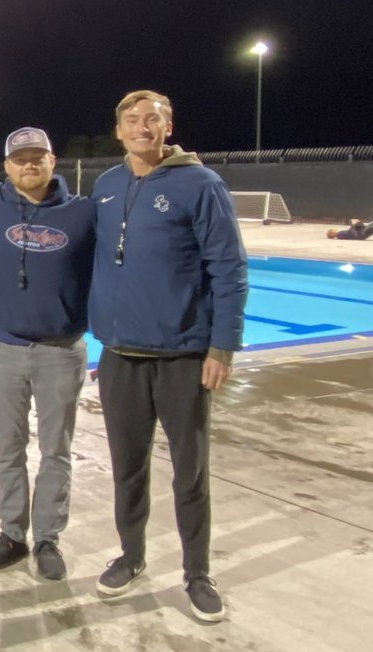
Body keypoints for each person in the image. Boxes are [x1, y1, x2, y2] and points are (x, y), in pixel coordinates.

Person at [90, 90, 247, 623]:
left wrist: (221, 346)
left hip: (183, 357)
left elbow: (229, 269)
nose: (141, 126)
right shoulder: (107, 186)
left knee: (189, 473)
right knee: (127, 470)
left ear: (168, 125)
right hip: (119, 357)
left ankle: (197, 573)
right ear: (118, 131)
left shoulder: (201, 184)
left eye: (151, 119)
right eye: (131, 120)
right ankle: (131, 557)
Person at [0, 128, 95, 580]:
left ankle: (48, 537)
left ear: (53, 162)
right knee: (7, 449)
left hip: (61, 350)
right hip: (3, 349)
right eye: (20, 159)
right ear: (7, 165)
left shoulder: (84, 213)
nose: (29, 165)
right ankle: (12, 532)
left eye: (38, 157)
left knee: (57, 450)